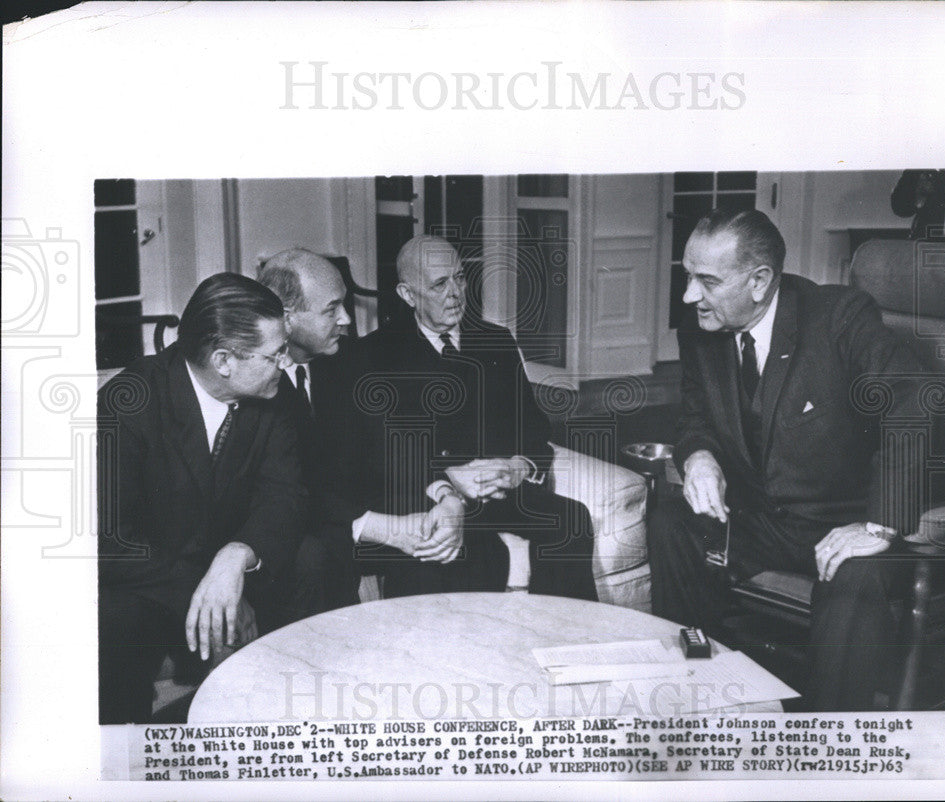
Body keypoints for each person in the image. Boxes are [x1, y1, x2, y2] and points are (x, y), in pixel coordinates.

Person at [647, 207, 928, 711]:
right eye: (687, 277)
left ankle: (830, 737)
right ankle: (701, 693)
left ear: (759, 282)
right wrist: (700, 458)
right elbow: (696, 419)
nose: (689, 296)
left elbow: (914, 403)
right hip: (760, 520)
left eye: (706, 281)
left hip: (839, 522)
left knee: (856, 577)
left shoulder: (839, 317)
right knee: (671, 523)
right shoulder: (701, 331)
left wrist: (880, 525)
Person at [98, 273, 307, 724]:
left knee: (312, 557)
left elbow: (285, 495)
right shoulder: (127, 401)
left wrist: (238, 556)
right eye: (275, 355)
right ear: (224, 360)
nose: (286, 364)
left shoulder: (274, 393)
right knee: (116, 622)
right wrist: (208, 589)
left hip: (235, 565)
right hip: (152, 582)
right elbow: (111, 542)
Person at [346, 235, 598, 600]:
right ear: (407, 294)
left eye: (459, 278)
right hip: (428, 498)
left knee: (571, 522)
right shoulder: (375, 356)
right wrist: (448, 480)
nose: (455, 293)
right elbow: (383, 456)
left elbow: (533, 427)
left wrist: (519, 466)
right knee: (463, 555)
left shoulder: (495, 340)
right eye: (439, 284)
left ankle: (563, 639)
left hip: (499, 495)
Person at [258, 248, 448, 621]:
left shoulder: (350, 358)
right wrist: (379, 527)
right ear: (287, 318)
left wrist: (445, 496)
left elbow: (399, 442)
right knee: (318, 554)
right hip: (307, 525)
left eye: (344, 304)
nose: (346, 319)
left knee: (456, 542)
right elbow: (287, 490)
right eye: (331, 309)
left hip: (358, 509)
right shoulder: (258, 378)